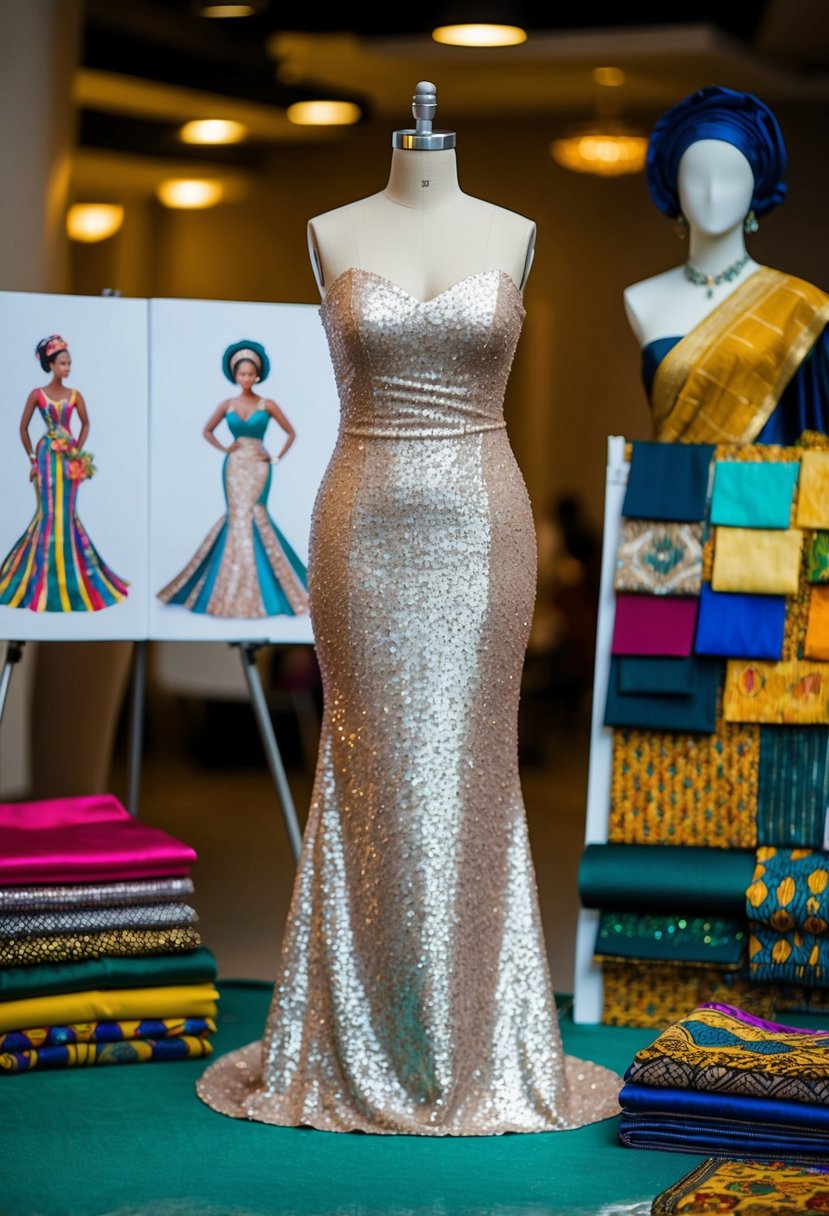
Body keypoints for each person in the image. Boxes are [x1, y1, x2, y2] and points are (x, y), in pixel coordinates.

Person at [196, 82, 621, 1135]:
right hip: (364, 526)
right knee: (368, 769)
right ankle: (357, 1034)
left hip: (482, 531)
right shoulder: (328, 230)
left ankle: (476, 1036)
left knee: (470, 771)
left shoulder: (514, 233)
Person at [624, 85, 829, 445]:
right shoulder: (641, 298)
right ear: (675, 186)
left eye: (732, 176)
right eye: (696, 177)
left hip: (762, 496)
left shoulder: (802, 307)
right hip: (671, 496)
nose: (713, 192)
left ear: (756, 187)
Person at [156, 339, 309, 619]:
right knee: (237, 516)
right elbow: (207, 430)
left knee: (255, 514)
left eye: (250, 374)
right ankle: (228, 586)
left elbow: (291, 433)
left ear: (258, 375)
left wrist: (275, 457)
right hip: (235, 466)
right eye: (242, 374)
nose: (246, 378)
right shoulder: (227, 404)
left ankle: (266, 590)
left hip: (259, 466)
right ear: (235, 375)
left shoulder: (267, 404)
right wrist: (225, 448)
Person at [0, 334, 128, 612]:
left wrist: (77, 452)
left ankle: (72, 575)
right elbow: (22, 428)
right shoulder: (37, 394)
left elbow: (85, 423)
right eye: (62, 363)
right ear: (51, 365)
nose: (67, 368)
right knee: (47, 512)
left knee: (66, 513)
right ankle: (38, 578)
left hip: (69, 458)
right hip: (47, 456)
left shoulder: (75, 395)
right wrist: (33, 459)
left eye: (69, 363)